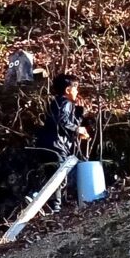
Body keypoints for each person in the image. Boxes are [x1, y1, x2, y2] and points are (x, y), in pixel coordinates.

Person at [35, 73, 89, 213]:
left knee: (52, 176)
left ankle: (49, 203)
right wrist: (78, 130)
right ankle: (55, 207)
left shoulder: (56, 103)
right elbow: (63, 122)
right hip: (56, 146)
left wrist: (79, 113)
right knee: (58, 178)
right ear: (67, 90)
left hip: (47, 143)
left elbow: (65, 122)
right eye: (75, 88)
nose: (77, 91)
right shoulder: (66, 103)